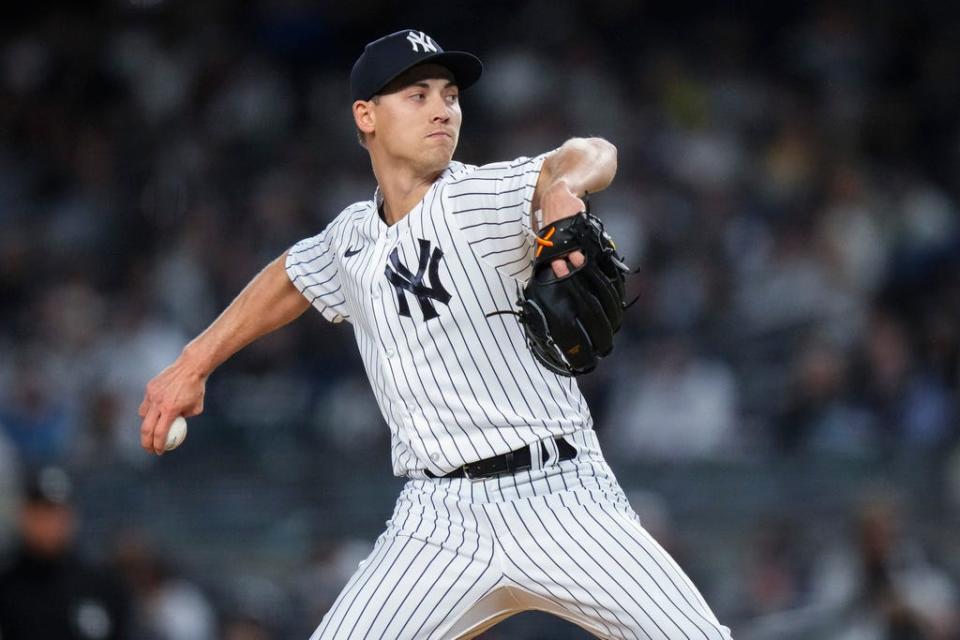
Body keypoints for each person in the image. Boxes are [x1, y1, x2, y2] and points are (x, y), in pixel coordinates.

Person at [139, 29, 733, 639]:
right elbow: (290, 278)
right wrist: (194, 362)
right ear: (366, 117)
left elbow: (592, 150)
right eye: (417, 95)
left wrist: (563, 186)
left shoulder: (477, 197)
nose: (443, 107)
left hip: (561, 494)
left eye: (449, 94)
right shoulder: (351, 237)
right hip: (437, 522)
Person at [0, 466, 130, 640]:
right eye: (42, 512)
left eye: (57, 512)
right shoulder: (6, 585)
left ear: (72, 516)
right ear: (24, 515)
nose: (51, 524)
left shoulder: (103, 586)